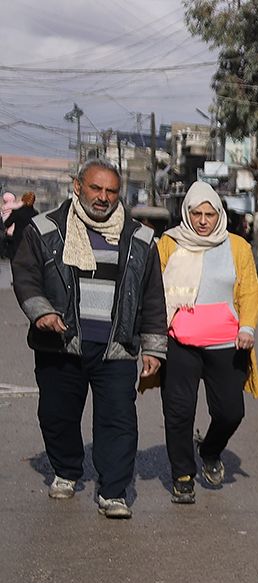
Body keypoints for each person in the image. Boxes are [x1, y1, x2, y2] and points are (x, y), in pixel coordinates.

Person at [11, 163, 165, 518]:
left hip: (116, 346)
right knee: (57, 415)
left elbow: (153, 295)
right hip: (61, 343)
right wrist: (42, 312)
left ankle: (113, 492)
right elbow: (26, 276)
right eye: (96, 189)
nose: (103, 198)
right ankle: (66, 471)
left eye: (111, 191)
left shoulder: (140, 238)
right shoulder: (45, 228)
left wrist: (154, 348)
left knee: (118, 421)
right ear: (78, 187)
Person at [155, 182, 258, 504]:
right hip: (180, 343)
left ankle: (211, 449)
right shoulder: (169, 244)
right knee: (179, 412)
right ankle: (183, 476)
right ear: (187, 214)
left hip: (227, 345)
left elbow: (249, 291)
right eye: (196, 213)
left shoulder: (237, 247)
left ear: (219, 214)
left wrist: (247, 328)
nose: (203, 220)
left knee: (230, 412)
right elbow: (154, 290)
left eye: (209, 214)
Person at [2, 191, 37, 258]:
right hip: (30, 243)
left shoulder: (17, 212)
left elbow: (7, 224)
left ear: (23, 199)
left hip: (17, 242)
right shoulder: (36, 214)